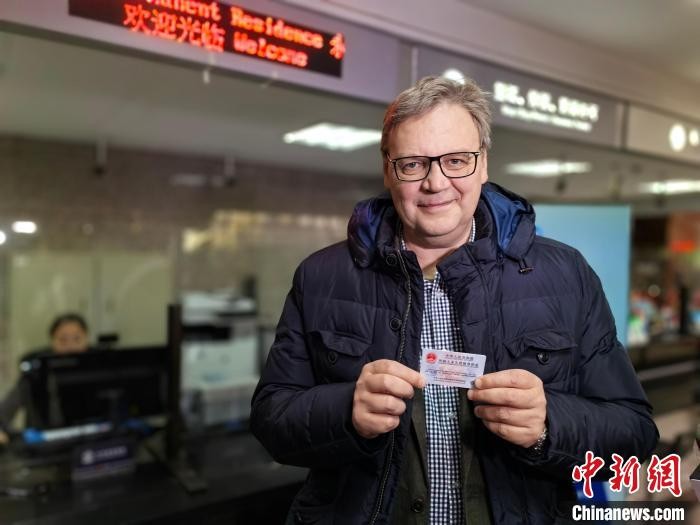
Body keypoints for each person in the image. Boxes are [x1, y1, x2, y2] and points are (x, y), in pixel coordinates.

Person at [250, 76, 659, 524]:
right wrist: (346, 412)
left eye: (456, 160)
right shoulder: (321, 277)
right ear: (388, 170)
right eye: (412, 164)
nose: (436, 182)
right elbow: (272, 420)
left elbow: (633, 431)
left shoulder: (566, 273)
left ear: (483, 164)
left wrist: (548, 424)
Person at [0, 313, 90, 444]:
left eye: (77, 339)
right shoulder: (35, 374)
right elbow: (4, 412)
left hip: (88, 444)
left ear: (87, 340)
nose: (70, 347)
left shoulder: (98, 371)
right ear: (52, 342)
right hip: (45, 447)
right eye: (63, 340)